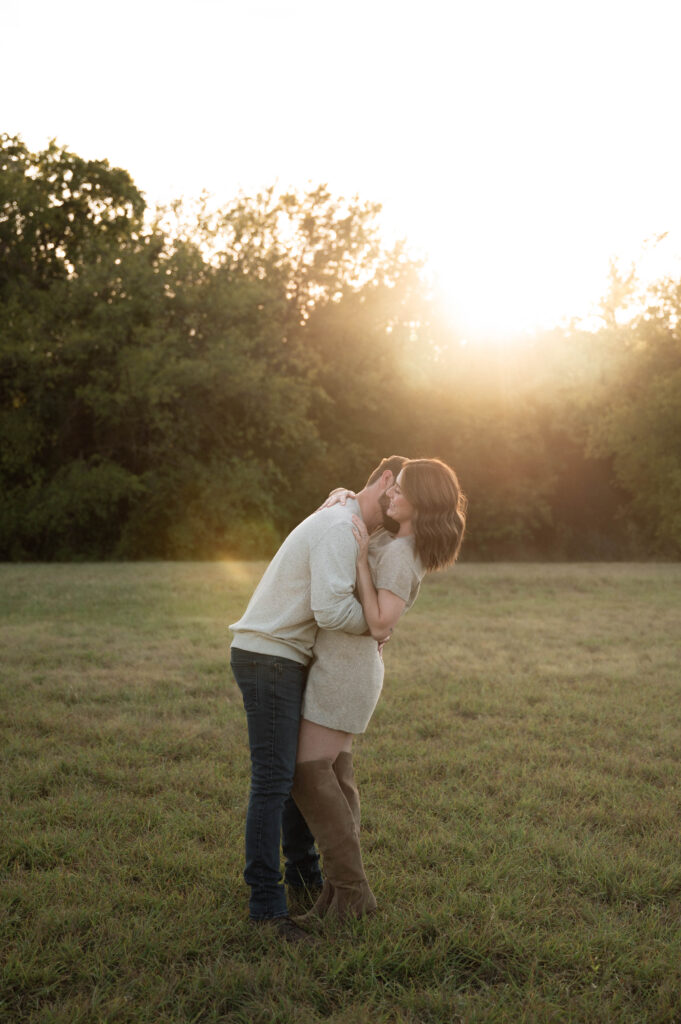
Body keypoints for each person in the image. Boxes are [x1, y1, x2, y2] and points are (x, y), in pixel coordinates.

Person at [229, 455, 407, 942]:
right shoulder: (339, 524)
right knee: (272, 780)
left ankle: (306, 875)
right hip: (269, 657)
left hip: (285, 657)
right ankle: (266, 908)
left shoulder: (350, 522)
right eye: (398, 489)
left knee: (288, 775)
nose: (398, 502)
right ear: (387, 480)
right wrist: (375, 626)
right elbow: (330, 610)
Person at [290, 458, 467, 923]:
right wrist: (343, 493)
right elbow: (358, 530)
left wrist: (363, 571)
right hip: (342, 666)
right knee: (335, 773)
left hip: (347, 673)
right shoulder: (395, 541)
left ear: (421, 503)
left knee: (307, 772)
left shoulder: (402, 555)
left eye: (401, 490)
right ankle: (338, 892)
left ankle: (352, 892)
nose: (391, 493)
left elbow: (380, 622)